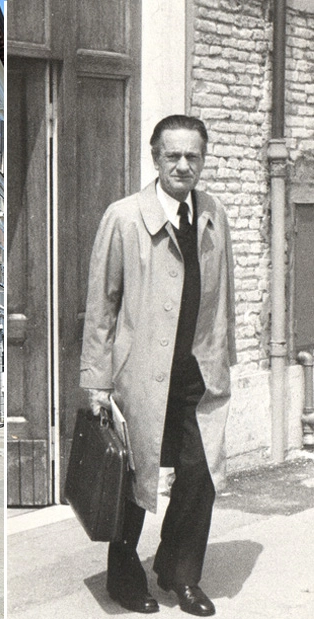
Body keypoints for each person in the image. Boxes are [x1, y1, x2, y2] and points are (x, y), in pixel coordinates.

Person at [80, 114, 236, 617]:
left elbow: (223, 298)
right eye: (174, 155)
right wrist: (96, 381)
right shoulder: (125, 217)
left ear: (202, 160)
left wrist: (223, 361)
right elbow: (101, 306)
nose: (184, 165)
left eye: (193, 156)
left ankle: (179, 571)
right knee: (131, 478)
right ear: (155, 158)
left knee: (199, 476)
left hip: (196, 373)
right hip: (138, 376)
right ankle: (125, 576)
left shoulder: (213, 214)